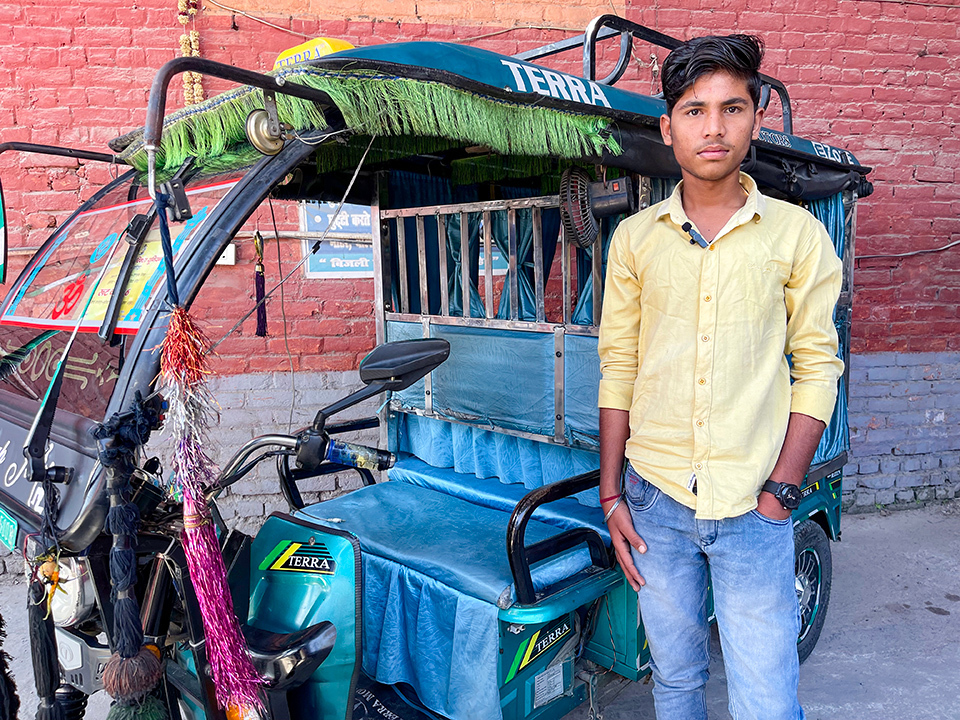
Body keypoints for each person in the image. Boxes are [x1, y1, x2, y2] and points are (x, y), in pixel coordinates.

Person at [597, 34, 843, 720]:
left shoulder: (796, 235)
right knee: (675, 683)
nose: (713, 127)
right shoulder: (635, 240)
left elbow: (817, 366)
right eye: (695, 110)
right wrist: (611, 494)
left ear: (754, 120)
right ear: (667, 127)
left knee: (767, 700)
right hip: (654, 500)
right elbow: (619, 365)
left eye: (732, 108)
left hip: (753, 504)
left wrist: (781, 492)